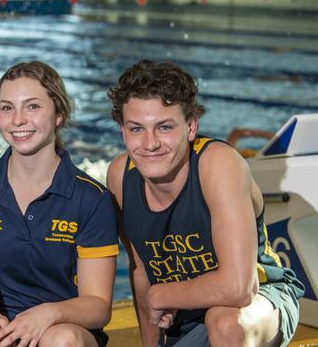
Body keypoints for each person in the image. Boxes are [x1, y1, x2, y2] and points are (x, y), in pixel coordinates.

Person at [105, 60, 304, 346]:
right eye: (137, 129)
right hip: (183, 315)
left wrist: (163, 295)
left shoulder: (218, 164)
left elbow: (240, 288)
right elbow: (140, 272)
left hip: (261, 300)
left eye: (164, 127)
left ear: (190, 127)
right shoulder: (120, 177)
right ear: (123, 130)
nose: (149, 144)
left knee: (223, 321)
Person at [0, 61, 119, 347]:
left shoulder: (91, 198)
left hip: (63, 326)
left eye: (32, 106)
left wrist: (50, 313)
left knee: (61, 340)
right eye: (6, 108)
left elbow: (98, 306)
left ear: (59, 115)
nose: (17, 120)